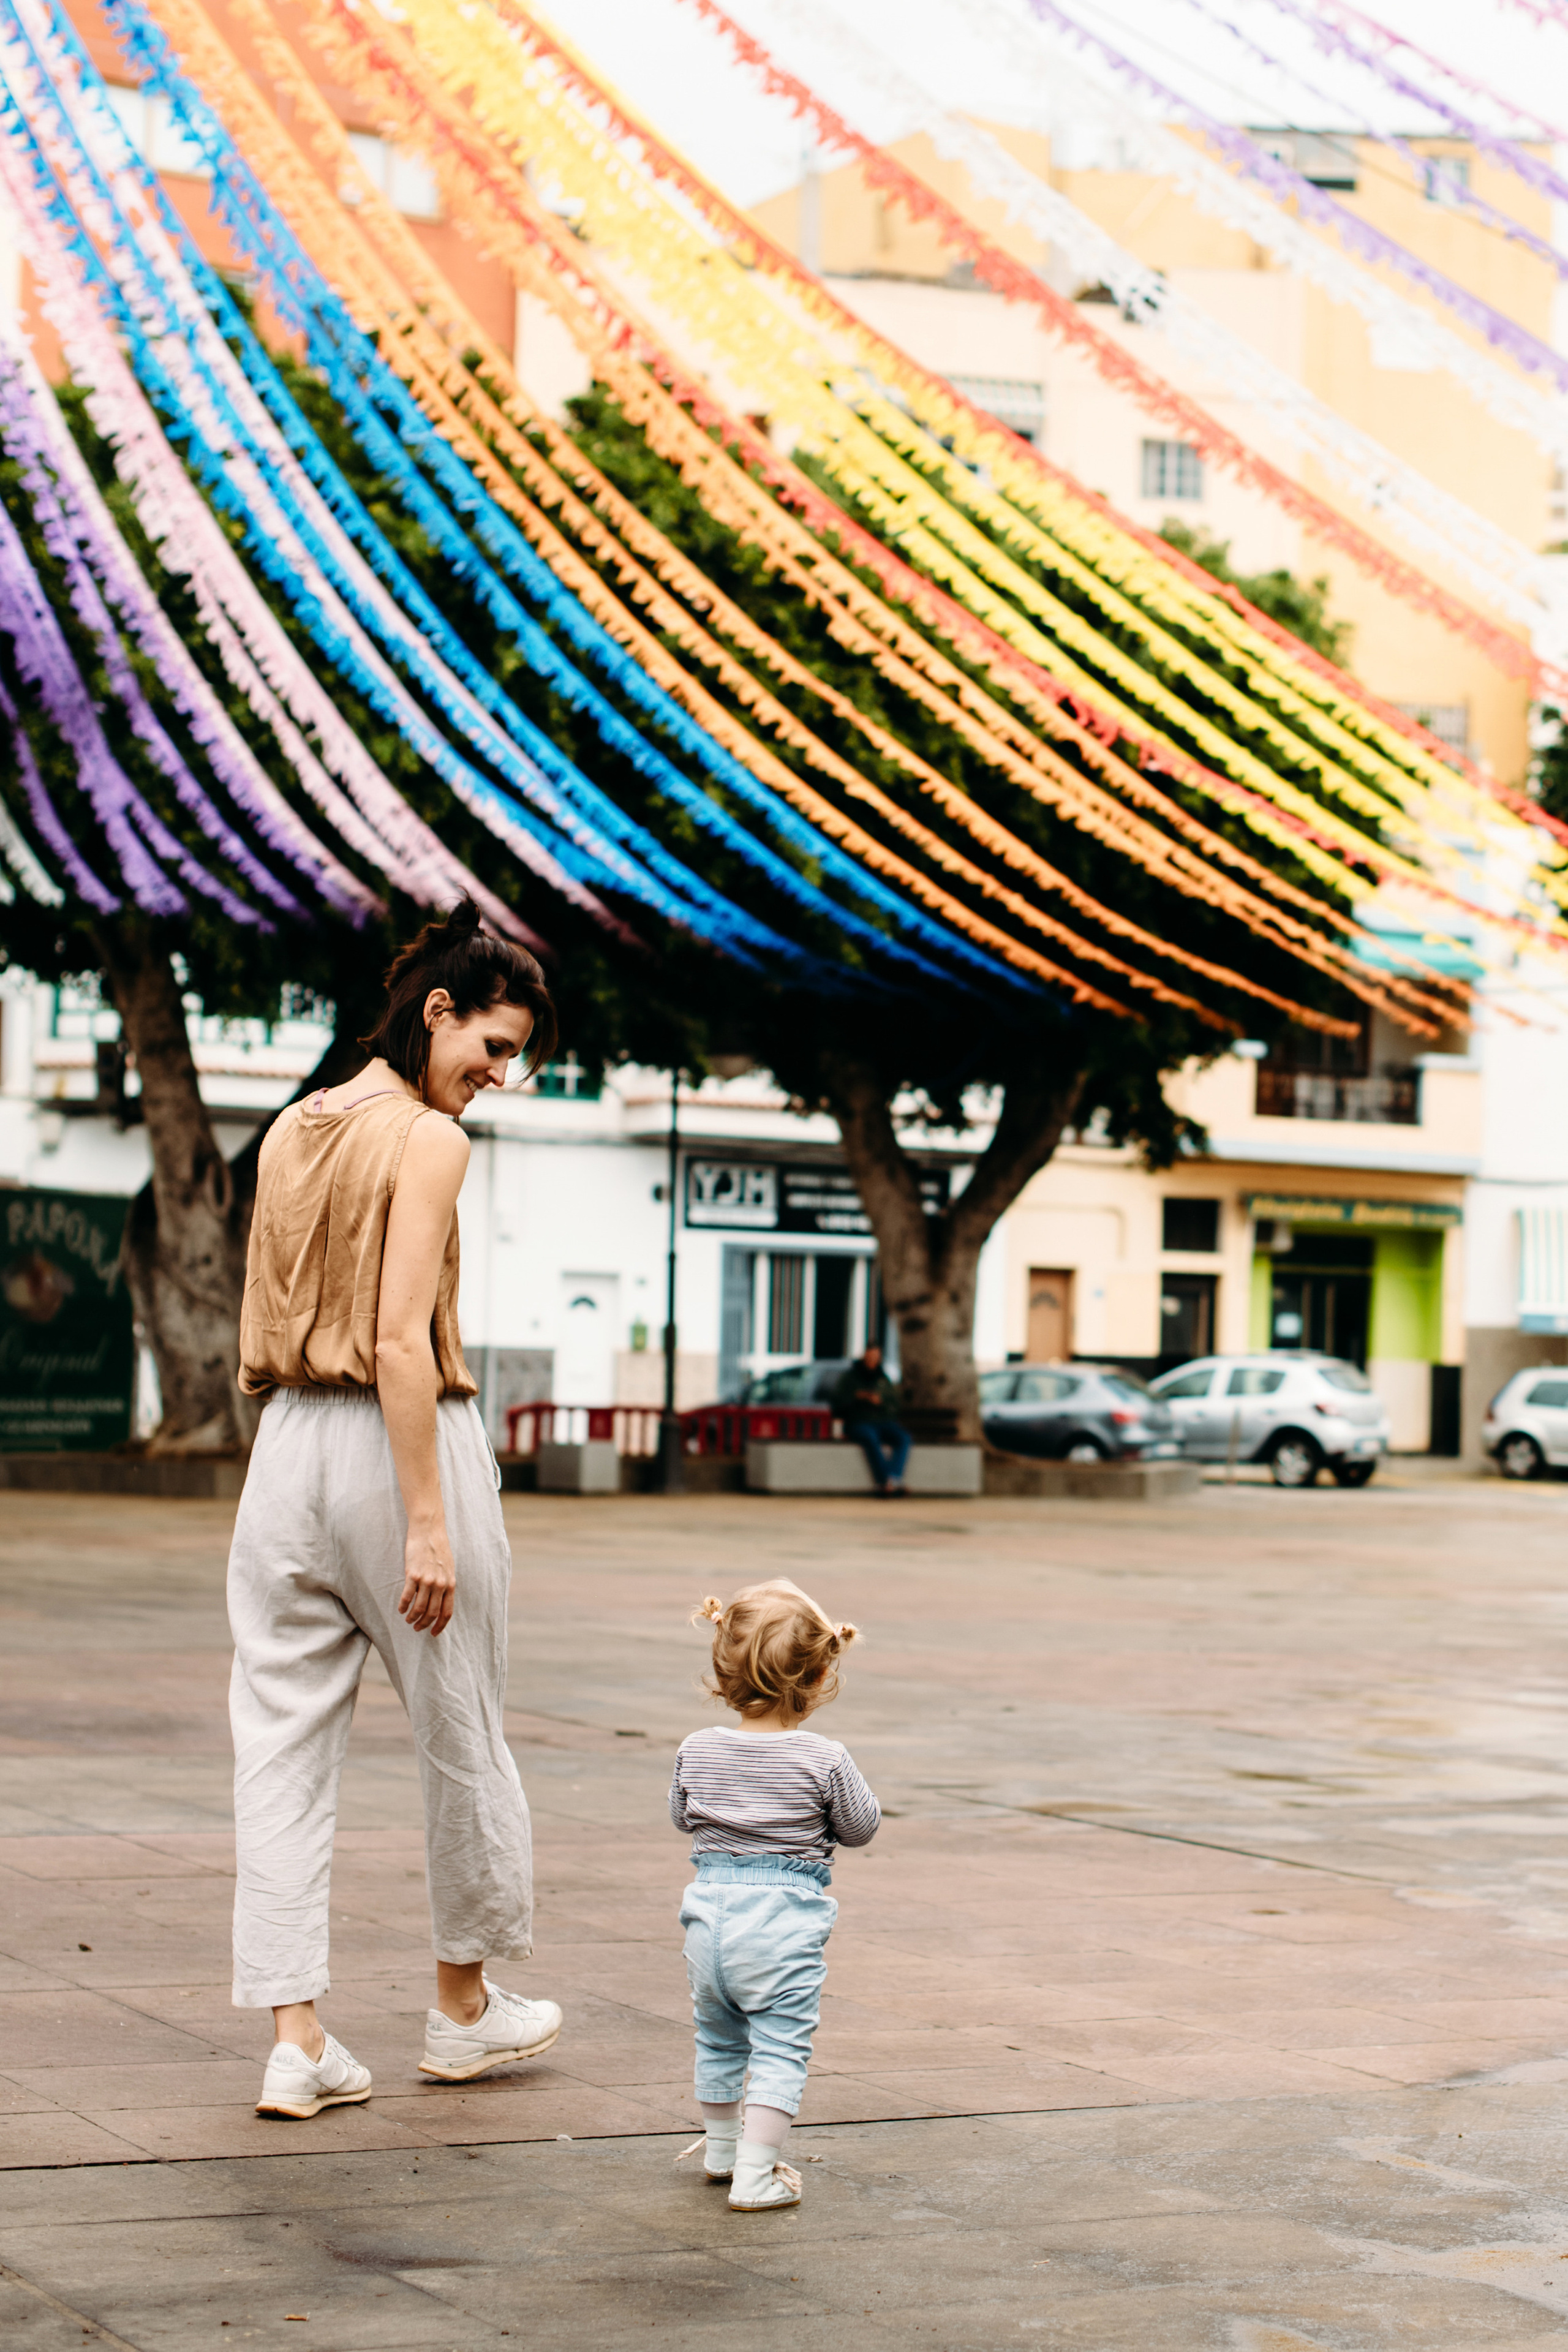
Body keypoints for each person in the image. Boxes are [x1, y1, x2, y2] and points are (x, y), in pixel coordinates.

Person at [230, 897, 565, 2120]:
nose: (497, 1073)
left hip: (284, 1459)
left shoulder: (290, 1128)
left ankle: (296, 2039)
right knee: (460, 1722)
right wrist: (428, 1518)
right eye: (492, 1043)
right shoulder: (427, 1141)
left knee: (275, 1742)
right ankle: (462, 2011)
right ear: (437, 1010)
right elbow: (394, 1340)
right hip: (392, 1445)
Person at [669, 1579, 880, 2211]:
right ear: (817, 1676)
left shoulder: (697, 1747)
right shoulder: (824, 1758)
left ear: (721, 1668)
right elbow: (861, 1827)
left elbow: (682, 1818)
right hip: (782, 1920)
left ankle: (721, 2151)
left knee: (718, 2037)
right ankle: (756, 2177)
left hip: (708, 1917)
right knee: (781, 2045)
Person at [831, 1343, 911, 1496]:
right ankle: (885, 1481)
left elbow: (894, 1403)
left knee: (903, 1438)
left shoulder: (883, 1378)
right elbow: (838, 1401)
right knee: (870, 1438)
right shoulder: (851, 1377)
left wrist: (880, 1402)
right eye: (870, 1356)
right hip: (859, 1421)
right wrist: (858, 1397)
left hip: (883, 1421)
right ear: (864, 1356)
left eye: (876, 1357)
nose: (873, 1360)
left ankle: (893, 1478)